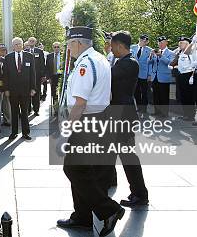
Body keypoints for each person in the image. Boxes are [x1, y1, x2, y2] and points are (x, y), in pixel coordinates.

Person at [56, 26, 124, 236]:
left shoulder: (85, 64)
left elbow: (80, 103)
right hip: (100, 118)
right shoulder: (101, 59)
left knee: (73, 169)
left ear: (78, 43)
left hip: (86, 122)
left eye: (69, 44)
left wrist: (67, 129)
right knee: (84, 170)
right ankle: (83, 216)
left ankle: (109, 210)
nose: (69, 49)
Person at [109, 31, 149, 207]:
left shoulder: (129, 63)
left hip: (123, 114)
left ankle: (140, 194)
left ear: (119, 45)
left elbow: (106, 76)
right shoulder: (123, 62)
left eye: (112, 46)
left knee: (127, 155)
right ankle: (131, 190)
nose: (111, 50)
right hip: (118, 113)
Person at [4, 37, 36, 140]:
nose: (18, 46)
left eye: (20, 44)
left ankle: (26, 133)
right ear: (13, 46)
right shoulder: (8, 57)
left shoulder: (29, 56)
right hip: (12, 90)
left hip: (26, 90)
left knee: (25, 112)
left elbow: (32, 73)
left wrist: (33, 88)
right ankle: (14, 132)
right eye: (16, 44)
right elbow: (6, 75)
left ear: (23, 45)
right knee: (14, 111)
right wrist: (6, 89)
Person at [148, 36, 175, 117]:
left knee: (164, 96)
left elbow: (170, 63)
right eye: (159, 42)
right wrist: (151, 55)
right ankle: (157, 111)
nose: (160, 44)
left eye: (162, 42)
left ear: (166, 43)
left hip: (164, 78)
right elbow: (149, 62)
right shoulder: (156, 51)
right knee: (156, 95)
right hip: (155, 77)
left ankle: (164, 113)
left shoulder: (171, 53)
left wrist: (161, 56)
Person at [170, 37, 196, 121]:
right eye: (179, 43)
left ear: (187, 44)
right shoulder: (180, 53)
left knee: (189, 96)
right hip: (181, 75)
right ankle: (186, 114)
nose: (180, 44)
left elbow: (193, 65)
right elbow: (172, 63)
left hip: (188, 75)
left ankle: (191, 115)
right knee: (183, 96)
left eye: (182, 43)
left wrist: (192, 76)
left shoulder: (190, 52)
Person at [131, 35, 152, 114]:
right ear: (139, 39)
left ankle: (144, 108)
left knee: (144, 92)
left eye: (146, 41)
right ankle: (139, 107)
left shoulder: (149, 50)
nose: (144, 42)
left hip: (144, 74)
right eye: (142, 40)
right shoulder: (132, 47)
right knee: (136, 92)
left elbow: (150, 63)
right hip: (134, 74)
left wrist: (149, 74)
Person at [26, 37, 46, 115]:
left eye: (33, 41)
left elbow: (42, 64)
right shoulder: (25, 51)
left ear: (35, 42)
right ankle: (28, 110)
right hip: (27, 77)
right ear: (28, 42)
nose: (31, 42)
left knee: (36, 93)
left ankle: (36, 110)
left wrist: (43, 75)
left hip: (37, 77)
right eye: (30, 41)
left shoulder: (39, 51)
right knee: (27, 93)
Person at [46, 42, 64, 113]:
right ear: (53, 48)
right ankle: (56, 108)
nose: (56, 48)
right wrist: (48, 77)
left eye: (58, 47)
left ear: (60, 48)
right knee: (54, 93)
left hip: (61, 76)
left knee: (62, 92)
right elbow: (47, 67)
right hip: (53, 77)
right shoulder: (49, 56)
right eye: (55, 47)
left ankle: (63, 107)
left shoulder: (64, 56)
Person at [0, 44, 12, 127]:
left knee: (6, 103)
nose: (3, 51)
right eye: (1, 50)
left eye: (4, 50)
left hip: (6, 85)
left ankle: (7, 120)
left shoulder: (8, 59)